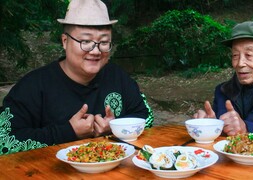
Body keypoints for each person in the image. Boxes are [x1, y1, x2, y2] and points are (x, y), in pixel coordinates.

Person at [0, 0, 153, 155]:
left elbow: (147, 118)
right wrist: (68, 131)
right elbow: (5, 142)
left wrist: (116, 127)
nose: (95, 51)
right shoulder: (32, 87)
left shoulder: (117, 76)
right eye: (85, 41)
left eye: (104, 42)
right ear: (65, 41)